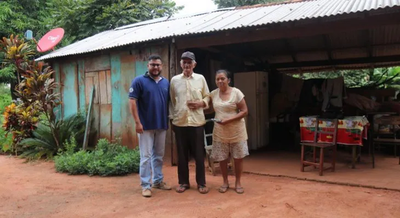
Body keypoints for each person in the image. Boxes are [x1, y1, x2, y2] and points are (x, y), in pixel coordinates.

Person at [129, 54, 171, 197]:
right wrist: (137, 122)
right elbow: (132, 102)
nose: (155, 67)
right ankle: (146, 185)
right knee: (145, 156)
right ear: (148, 66)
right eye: (153, 64)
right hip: (145, 126)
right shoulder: (139, 81)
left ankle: (158, 181)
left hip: (161, 125)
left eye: (158, 65)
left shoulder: (166, 83)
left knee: (159, 155)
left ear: (162, 66)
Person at [169, 51, 210, 194]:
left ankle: (201, 183)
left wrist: (201, 103)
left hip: (197, 123)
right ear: (181, 64)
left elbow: (208, 97)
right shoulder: (174, 80)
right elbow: (172, 101)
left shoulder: (201, 79)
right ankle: (183, 182)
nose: (187, 65)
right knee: (182, 155)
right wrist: (172, 119)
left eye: (189, 62)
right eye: (184, 62)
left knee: (199, 155)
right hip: (180, 122)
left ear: (194, 64)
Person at [209, 69, 249, 194]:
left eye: (222, 78)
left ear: (229, 80)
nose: (220, 81)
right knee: (222, 158)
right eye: (217, 79)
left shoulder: (236, 93)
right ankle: (225, 181)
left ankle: (238, 182)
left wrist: (228, 120)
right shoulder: (213, 94)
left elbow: (244, 111)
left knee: (238, 158)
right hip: (220, 132)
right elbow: (209, 108)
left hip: (237, 131)